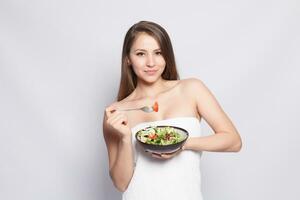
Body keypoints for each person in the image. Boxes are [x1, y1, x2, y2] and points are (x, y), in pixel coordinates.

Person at [103, 21, 242, 200]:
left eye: (158, 53)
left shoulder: (192, 89)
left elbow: (233, 141)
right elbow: (121, 183)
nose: (151, 62)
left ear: (167, 56)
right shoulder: (117, 112)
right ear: (128, 59)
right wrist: (124, 138)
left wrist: (182, 145)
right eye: (140, 54)